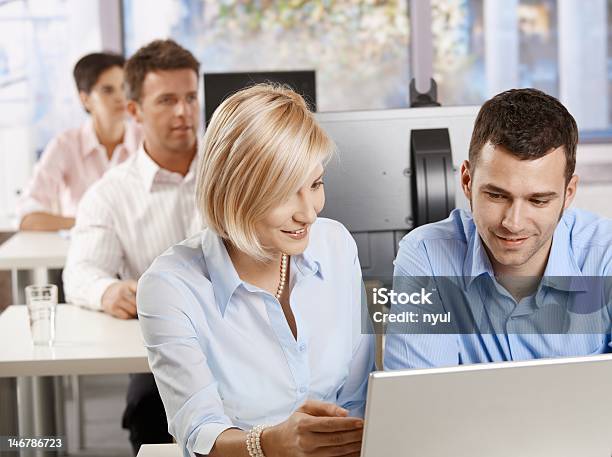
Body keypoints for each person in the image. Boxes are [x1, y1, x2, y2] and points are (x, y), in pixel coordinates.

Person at [137, 84, 376, 457]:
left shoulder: (336, 246)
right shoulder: (170, 286)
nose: (309, 212)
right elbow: (199, 430)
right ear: (236, 192)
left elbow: (359, 394)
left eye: (315, 184)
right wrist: (270, 443)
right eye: (284, 193)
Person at [385, 88, 612, 370]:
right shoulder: (426, 255)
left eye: (538, 200)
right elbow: (417, 402)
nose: (513, 223)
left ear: (569, 193)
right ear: (467, 181)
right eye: (496, 195)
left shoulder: (605, 256)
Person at [62, 39, 201, 454]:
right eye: (167, 100)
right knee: (149, 409)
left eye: (191, 97)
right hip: (163, 350)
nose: (184, 112)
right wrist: (110, 291)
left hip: (242, 339)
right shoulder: (110, 193)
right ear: (135, 110)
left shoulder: (235, 170)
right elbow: (81, 272)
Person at [17, 52, 141, 231]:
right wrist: (88, 223)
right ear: (85, 99)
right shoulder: (65, 145)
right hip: (83, 247)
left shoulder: (146, 139)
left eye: (124, 87)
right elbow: (27, 215)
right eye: (108, 90)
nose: (120, 97)